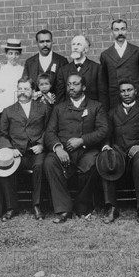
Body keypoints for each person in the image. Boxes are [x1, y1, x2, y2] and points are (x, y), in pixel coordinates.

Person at [44, 73, 109, 223]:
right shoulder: (59, 108)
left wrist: (82, 140)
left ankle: (82, 207)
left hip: (87, 149)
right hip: (64, 151)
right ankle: (64, 208)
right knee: (50, 162)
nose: (71, 87)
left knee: (92, 164)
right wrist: (58, 148)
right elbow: (50, 132)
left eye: (75, 84)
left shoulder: (96, 106)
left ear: (84, 87)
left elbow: (103, 130)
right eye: (69, 84)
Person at [100, 79, 139, 224]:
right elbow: (107, 134)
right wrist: (107, 145)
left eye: (129, 90)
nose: (126, 93)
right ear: (119, 94)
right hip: (119, 149)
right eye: (123, 91)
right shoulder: (113, 112)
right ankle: (112, 207)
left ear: (136, 92)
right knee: (107, 159)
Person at [0, 77, 51, 221]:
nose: (22, 92)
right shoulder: (8, 111)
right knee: (5, 165)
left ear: (33, 91)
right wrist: (9, 149)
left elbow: (49, 130)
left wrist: (41, 144)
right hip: (16, 151)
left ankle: (37, 205)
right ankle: (11, 207)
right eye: (20, 89)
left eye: (26, 89)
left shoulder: (43, 108)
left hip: (36, 151)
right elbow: (2, 134)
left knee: (40, 165)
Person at [99, 19, 139, 107]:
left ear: (127, 30)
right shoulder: (105, 55)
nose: (120, 33)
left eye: (123, 29)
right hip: (115, 98)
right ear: (112, 32)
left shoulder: (137, 51)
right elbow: (105, 82)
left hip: (135, 98)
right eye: (116, 30)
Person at [56, 35, 108, 108]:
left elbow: (103, 96)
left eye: (79, 44)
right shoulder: (63, 70)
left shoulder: (97, 68)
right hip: (70, 113)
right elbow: (60, 98)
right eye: (73, 44)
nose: (75, 47)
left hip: (91, 113)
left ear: (86, 49)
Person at [0, 39, 25, 106]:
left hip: (20, 104)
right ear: (6, 54)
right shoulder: (1, 70)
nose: (13, 57)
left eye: (16, 54)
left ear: (20, 55)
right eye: (10, 53)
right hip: (4, 104)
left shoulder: (23, 70)